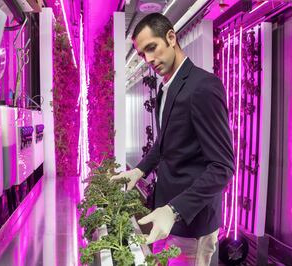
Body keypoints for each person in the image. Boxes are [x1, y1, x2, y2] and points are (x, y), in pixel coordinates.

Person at [111, 13, 235, 266]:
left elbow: (223, 167)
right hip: (168, 215)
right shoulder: (167, 87)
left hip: (192, 221)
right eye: (143, 54)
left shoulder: (203, 86)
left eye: (152, 48)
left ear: (171, 37)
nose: (148, 60)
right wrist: (139, 170)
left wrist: (174, 210)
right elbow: (165, 142)